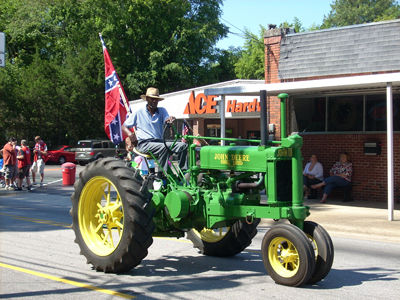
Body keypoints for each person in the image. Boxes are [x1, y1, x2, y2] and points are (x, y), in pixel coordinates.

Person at [122, 87, 188, 176]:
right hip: (144, 144)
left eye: (156, 100)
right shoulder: (139, 112)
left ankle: (183, 174)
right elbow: (124, 126)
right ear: (147, 99)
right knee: (164, 147)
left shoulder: (162, 110)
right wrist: (130, 135)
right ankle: (161, 176)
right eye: (152, 99)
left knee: (183, 145)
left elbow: (166, 119)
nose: (154, 101)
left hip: (159, 142)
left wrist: (169, 120)